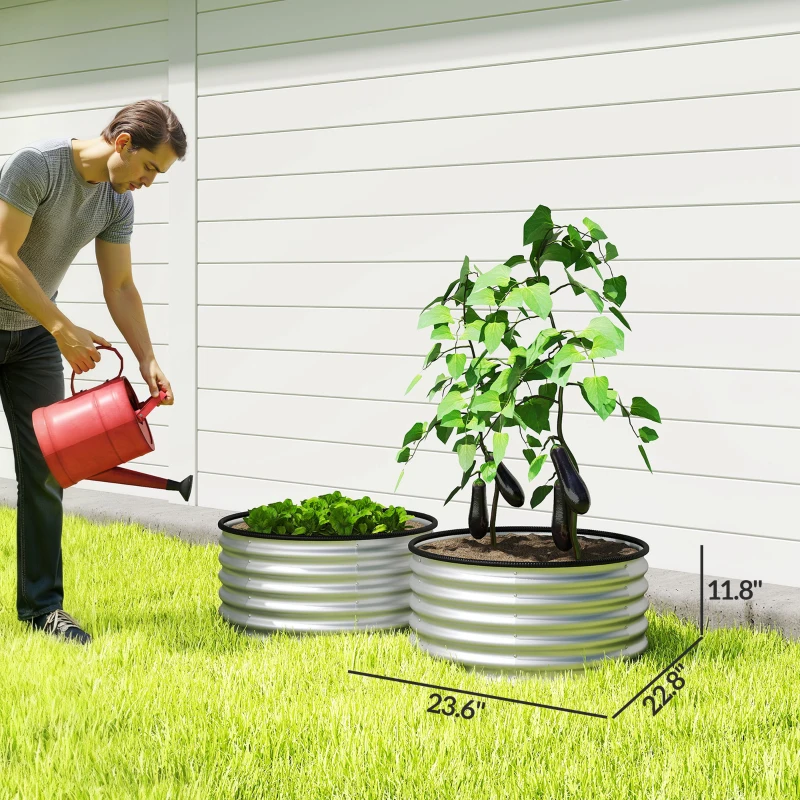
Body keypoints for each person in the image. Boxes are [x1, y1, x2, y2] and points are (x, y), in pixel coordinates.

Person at [0, 99, 186, 644]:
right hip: (41, 324)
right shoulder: (38, 165)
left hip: (32, 337)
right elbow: (4, 256)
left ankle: (42, 609)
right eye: (151, 167)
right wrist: (62, 326)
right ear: (124, 143)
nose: (149, 183)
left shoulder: (116, 202)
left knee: (44, 471)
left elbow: (120, 287)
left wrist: (148, 357)